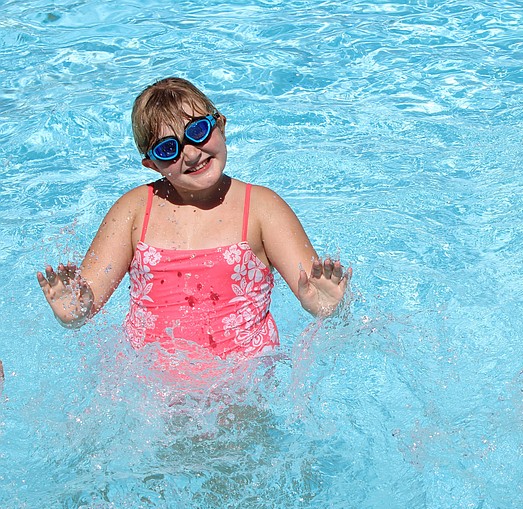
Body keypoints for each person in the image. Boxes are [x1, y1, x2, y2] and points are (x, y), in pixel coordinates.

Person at [37, 77, 350, 364]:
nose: (190, 154)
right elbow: (84, 306)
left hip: (240, 382)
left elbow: (319, 297)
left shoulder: (261, 209)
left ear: (221, 125)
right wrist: (73, 312)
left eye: (198, 131)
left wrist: (326, 306)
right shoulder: (133, 211)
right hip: (149, 384)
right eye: (168, 148)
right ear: (152, 164)